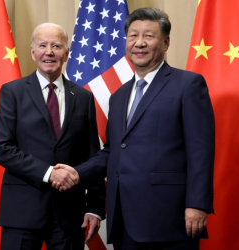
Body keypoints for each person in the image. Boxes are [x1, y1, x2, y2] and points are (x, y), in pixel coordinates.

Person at [53, 8, 215, 250]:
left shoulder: (188, 85)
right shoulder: (119, 96)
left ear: (166, 42)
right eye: (132, 36)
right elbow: (113, 150)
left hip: (169, 218)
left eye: (148, 36)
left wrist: (197, 204)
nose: (139, 43)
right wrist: (77, 173)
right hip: (125, 220)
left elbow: (200, 151)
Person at [0, 23, 105, 250]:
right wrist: (49, 173)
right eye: (42, 45)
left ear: (67, 52)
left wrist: (94, 207)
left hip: (69, 214)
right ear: (33, 52)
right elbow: (1, 148)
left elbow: (92, 157)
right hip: (22, 212)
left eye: (56, 45)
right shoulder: (12, 92)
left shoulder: (83, 97)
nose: (49, 51)